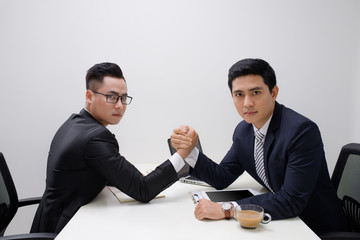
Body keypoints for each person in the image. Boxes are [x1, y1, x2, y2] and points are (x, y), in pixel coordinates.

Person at [171, 58, 349, 235]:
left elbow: (291, 201)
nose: (247, 103)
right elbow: (222, 177)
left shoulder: (301, 132)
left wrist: (228, 209)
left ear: (273, 93)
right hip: (283, 223)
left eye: (255, 92)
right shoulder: (244, 130)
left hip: (314, 227)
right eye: (239, 94)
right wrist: (188, 151)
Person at [31, 62, 197, 234]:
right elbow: (143, 190)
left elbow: (101, 170)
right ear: (89, 96)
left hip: (51, 219)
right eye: (112, 97)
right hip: (64, 229)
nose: (119, 105)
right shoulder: (95, 138)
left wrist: (132, 175)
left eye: (123, 98)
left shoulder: (75, 123)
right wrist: (183, 153)